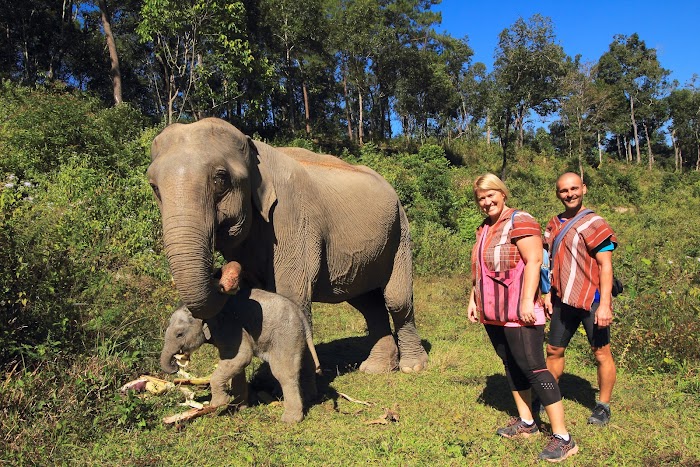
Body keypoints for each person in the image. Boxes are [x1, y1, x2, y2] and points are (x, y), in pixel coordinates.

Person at [468, 173, 578, 463]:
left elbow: (534, 261)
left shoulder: (521, 220)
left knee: (533, 367)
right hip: (493, 312)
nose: (486, 201)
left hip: (519, 311)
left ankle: (563, 437)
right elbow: (480, 269)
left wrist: (527, 300)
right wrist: (473, 300)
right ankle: (527, 422)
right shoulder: (484, 228)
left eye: (491, 194)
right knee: (511, 364)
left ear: (503, 194)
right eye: (481, 197)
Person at [543, 172, 618, 426]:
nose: (570, 194)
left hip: (591, 300)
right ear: (558, 194)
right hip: (563, 300)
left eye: (574, 188)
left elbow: (605, 266)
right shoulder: (554, 224)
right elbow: (546, 259)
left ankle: (603, 405)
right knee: (553, 350)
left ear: (583, 189)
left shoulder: (595, 223)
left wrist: (605, 305)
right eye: (564, 190)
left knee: (601, 353)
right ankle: (549, 398)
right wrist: (546, 294)